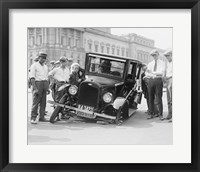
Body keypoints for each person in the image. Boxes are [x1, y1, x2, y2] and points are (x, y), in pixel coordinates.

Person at [29, 52, 50, 124]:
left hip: (44, 83)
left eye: (44, 58)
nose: (43, 59)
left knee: (43, 102)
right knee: (36, 102)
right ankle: (33, 117)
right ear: (38, 58)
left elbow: (46, 78)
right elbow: (32, 77)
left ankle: (41, 117)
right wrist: (35, 88)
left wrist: (47, 88)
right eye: (41, 58)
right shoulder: (34, 65)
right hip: (37, 83)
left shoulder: (46, 67)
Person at [146, 49, 165, 120]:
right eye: (152, 55)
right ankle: (151, 113)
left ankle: (160, 114)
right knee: (150, 97)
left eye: (155, 55)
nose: (154, 56)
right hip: (151, 80)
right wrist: (152, 74)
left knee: (159, 98)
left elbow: (162, 72)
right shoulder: (150, 64)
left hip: (158, 80)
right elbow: (147, 73)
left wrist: (153, 72)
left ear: (158, 55)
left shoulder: (162, 63)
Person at [163, 49, 172, 122]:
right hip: (168, 80)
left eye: (168, 55)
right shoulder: (168, 63)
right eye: (166, 56)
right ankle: (169, 114)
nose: (167, 57)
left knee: (172, 99)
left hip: (172, 79)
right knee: (169, 99)